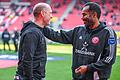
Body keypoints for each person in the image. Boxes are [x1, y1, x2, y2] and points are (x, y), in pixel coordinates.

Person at [43, 2, 117, 80]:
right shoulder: (78, 30)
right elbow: (58, 35)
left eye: (84, 14)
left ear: (94, 15)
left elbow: (110, 58)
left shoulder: (108, 32)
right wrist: (41, 26)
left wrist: (88, 68)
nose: (82, 18)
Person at [14, 3, 52, 80]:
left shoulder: (37, 30)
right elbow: (27, 59)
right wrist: (30, 78)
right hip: (31, 77)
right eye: (50, 13)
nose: (51, 16)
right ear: (43, 13)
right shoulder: (32, 33)